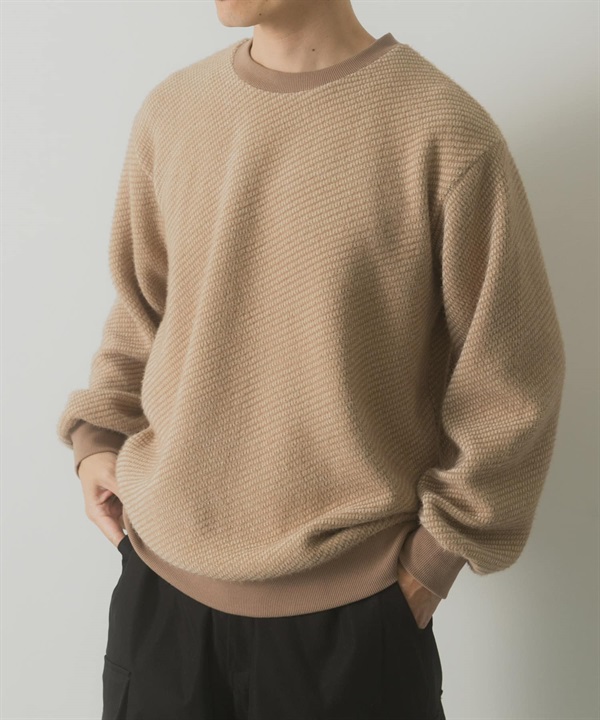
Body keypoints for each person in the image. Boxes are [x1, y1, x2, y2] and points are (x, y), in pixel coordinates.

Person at [56, 1, 566, 718]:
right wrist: (97, 439)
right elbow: (143, 313)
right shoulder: (174, 111)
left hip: (351, 624)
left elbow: (513, 377)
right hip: (158, 599)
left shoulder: (443, 131)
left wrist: (432, 563)